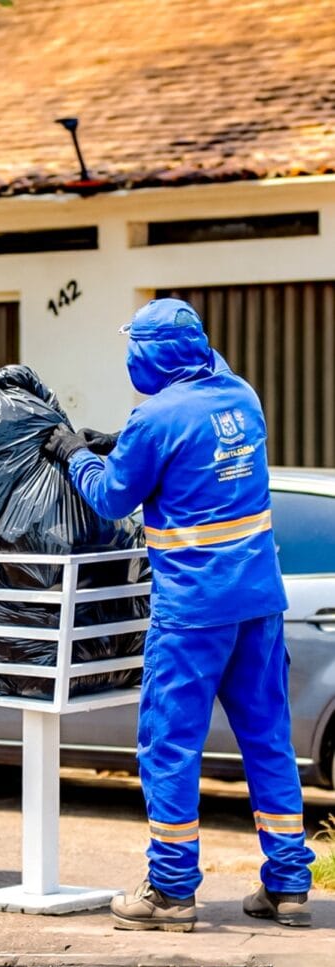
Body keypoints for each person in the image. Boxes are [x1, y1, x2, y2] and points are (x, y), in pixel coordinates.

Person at [43, 298, 315, 932]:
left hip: (193, 611)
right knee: (267, 740)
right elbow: (193, 450)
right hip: (259, 602)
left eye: (134, 350)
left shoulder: (155, 417)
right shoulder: (242, 396)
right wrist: (122, 444)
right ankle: (288, 884)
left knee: (169, 747)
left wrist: (76, 454)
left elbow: (112, 497)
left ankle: (169, 892)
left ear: (151, 357)